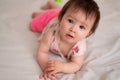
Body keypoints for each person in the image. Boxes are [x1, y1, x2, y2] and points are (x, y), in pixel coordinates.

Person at [30, 0, 100, 80]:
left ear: (89, 33)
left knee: (62, 11)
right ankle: (46, 9)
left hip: (62, 14)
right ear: (61, 18)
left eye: (81, 27)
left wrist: (62, 67)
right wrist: (46, 67)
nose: (73, 29)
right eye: (70, 21)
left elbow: (76, 64)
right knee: (33, 24)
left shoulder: (79, 47)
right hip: (51, 18)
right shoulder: (51, 33)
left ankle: (52, 4)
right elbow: (42, 52)